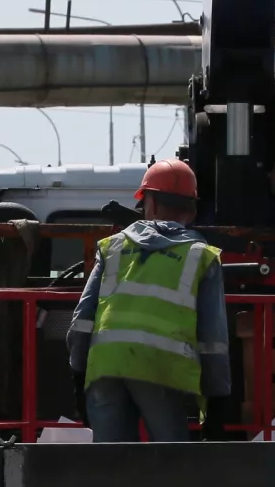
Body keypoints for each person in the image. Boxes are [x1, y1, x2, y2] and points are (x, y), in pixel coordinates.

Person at [68, 159, 231, 443]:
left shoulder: (113, 246)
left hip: (106, 366)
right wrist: (216, 403)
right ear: (192, 211)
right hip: (162, 369)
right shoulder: (201, 255)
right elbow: (213, 338)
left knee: (110, 467)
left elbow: (81, 320)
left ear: (150, 202)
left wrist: (78, 376)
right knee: (168, 469)